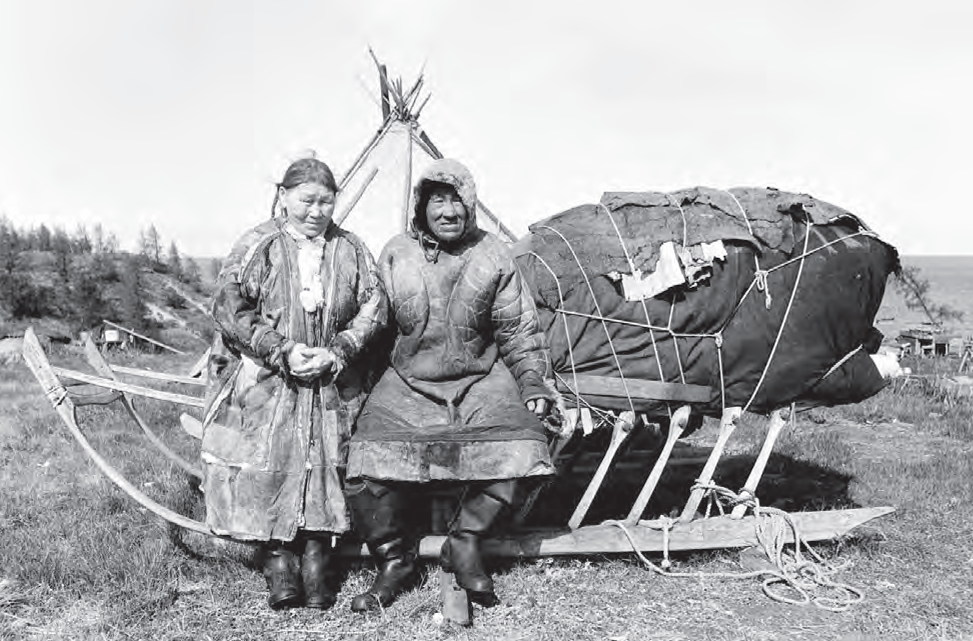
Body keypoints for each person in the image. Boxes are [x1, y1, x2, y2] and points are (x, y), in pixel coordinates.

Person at [344, 158, 556, 612]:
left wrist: (534, 382)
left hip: (481, 378)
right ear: (421, 205)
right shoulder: (396, 252)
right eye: (437, 200)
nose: (448, 211)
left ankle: (465, 540)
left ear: (471, 204)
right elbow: (375, 324)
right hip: (407, 381)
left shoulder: (494, 253)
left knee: (527, 443)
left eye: (456, 199)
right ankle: (394, 559)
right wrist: (346, 367)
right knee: (360, 459)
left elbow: (517, 330)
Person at [202, 156, 388, 610]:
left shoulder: (351, 250)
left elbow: (375, 306)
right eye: (306, 200)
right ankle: (278, 563)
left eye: (326, 202)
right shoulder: (258, 245)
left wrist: (339, 348)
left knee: (327, 468)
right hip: (266, 380)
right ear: (284, 197)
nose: (316, 211)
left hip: (330, 382)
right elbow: (229, 307)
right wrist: (280, 349)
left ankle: (316, 563)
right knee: (269, 466)